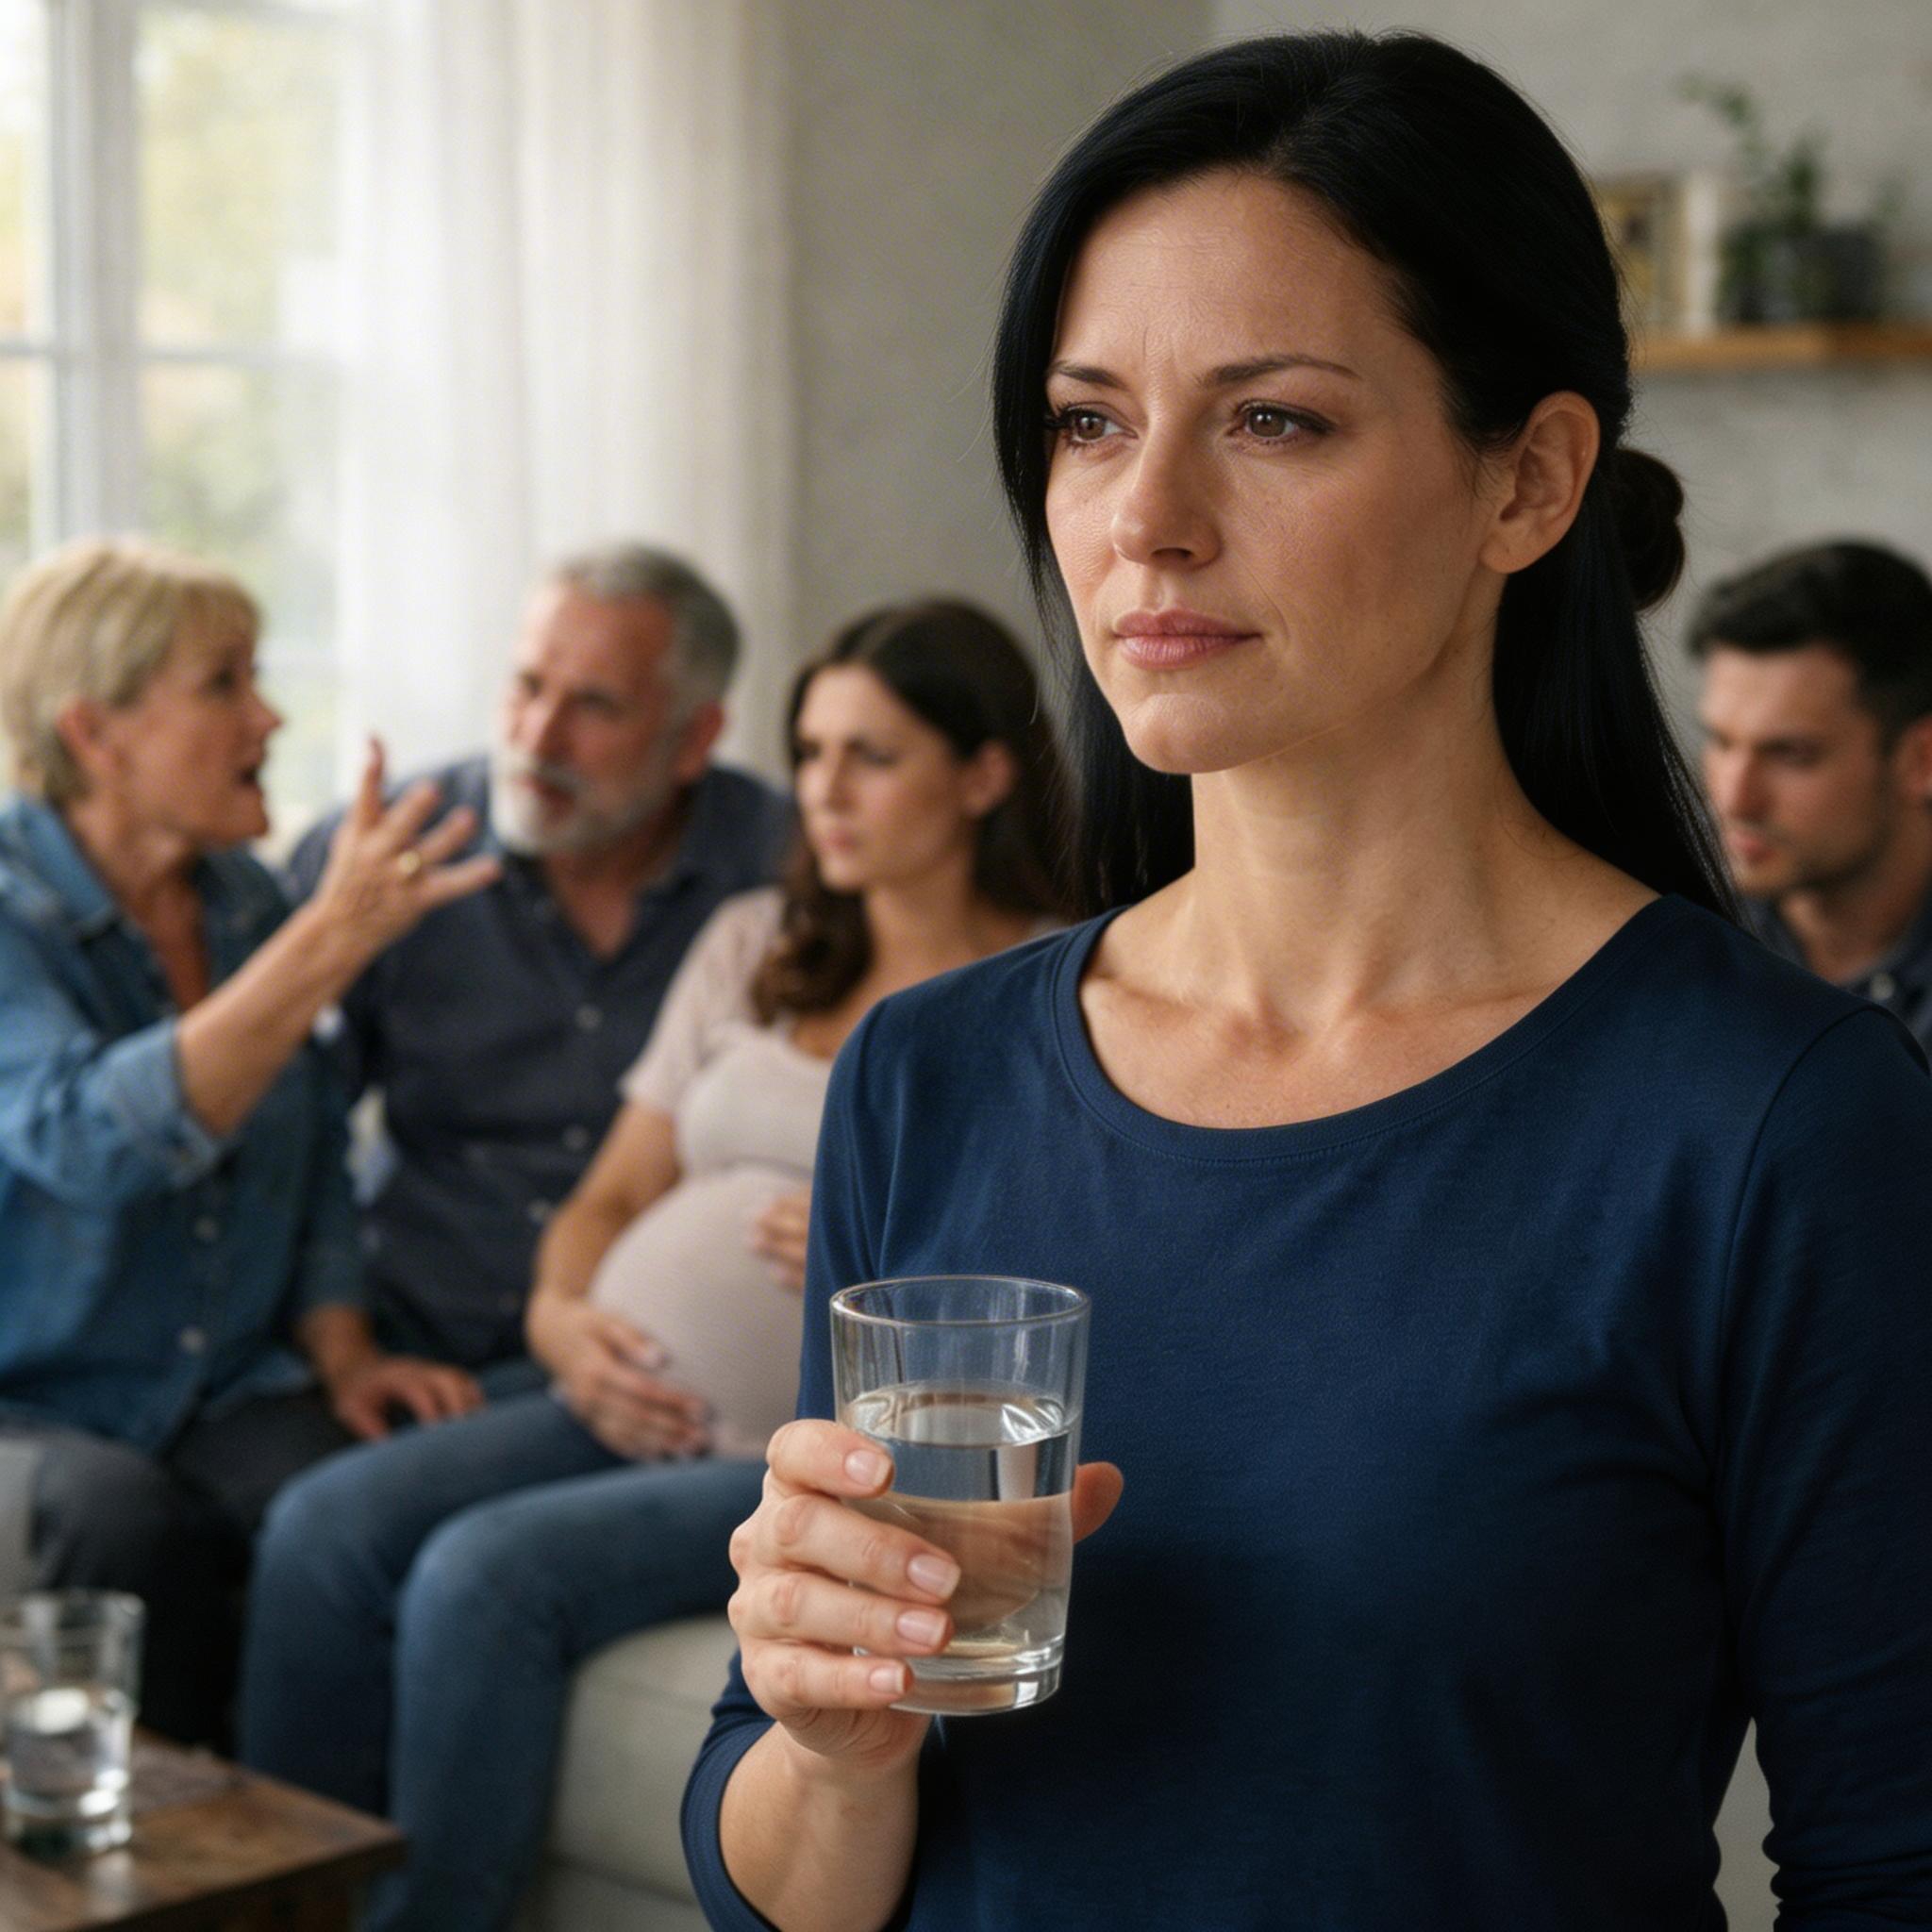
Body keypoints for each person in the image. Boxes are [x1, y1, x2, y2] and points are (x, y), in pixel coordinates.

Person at [687, 32, 1932, 1932]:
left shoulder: (1772, 1127)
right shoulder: (927, 1072)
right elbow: (783, 1881)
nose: (1142, 518)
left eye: (1270, 419)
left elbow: (1889, 1868)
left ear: (1527, 484)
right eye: (1089, 421)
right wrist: (833, 1738)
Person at [239, 601, 1072, 1932]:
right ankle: (263, 1912)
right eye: (811, 754)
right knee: (324, 1528)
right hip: (605, 1389)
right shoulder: (760, 939)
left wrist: (905, 1253)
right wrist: (564, 1320)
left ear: (983, 776)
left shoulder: (1051, 991)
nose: (824, 793)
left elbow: (1061, 1279)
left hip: (784, 1444)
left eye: (873, 756)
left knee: (481, 1576)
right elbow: (614, 1191)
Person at [0, 537, 496, 1740]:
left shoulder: (243, 901)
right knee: (122, 1525)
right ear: (97, 733)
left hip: (222, 1382)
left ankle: (325, 1880)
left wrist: (344, 1354)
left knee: (360, 1507)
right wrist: (329, 940)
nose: (266, 714)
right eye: (223, 684)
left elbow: (316, 1142)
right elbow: (82, 1141)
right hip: (31, 1403)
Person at [285, 541, 793, 1385]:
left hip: (643, 1355)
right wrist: (345, 1354)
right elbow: (291, 1138)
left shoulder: (785, 872)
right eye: (526, 686)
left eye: (594, 705)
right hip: (404, 1329)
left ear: (693, 738)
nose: (537, 736)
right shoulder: (386, 856)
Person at [1692, 540, 1932, 1053]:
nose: (1735, 801)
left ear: (1922, 760)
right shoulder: (1676, 945)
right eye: (1721, 740)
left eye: (1791, 754)